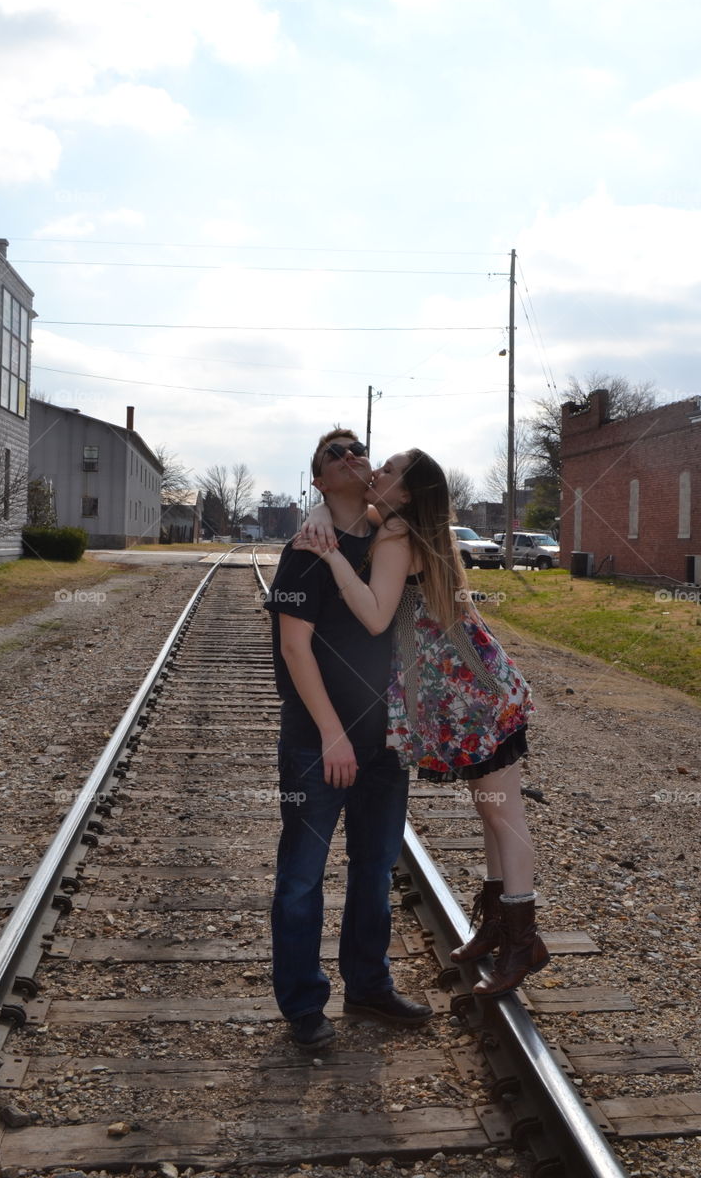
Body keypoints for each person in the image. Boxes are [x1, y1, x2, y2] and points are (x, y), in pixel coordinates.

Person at [295, 448, 550, 997]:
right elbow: (341, 512)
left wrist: (332, 556)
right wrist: (319, 515)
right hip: (466, 687)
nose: (376, 474)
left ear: (405, 492)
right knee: (492, 813)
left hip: (469, 693)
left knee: (505, 817)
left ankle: (523, 940)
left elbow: (374, 613)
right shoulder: (403, 522)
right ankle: (498, 923)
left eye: (387, 470)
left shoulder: (395, 533)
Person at [266, 430, 433, 1049]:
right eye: (334, 454)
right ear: (318, 481)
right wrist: (332, 734)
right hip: (318, 740)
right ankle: (304, 1006)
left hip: (385, 739)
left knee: (374, 868)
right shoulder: (306, 549)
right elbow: (292, 646)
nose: (351, 456)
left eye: (358, 448)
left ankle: (368, 985)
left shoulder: (393, 537)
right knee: (303, 877)